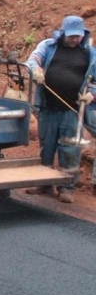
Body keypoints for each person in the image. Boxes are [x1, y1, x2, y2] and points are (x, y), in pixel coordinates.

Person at [26, 15, 96, 203]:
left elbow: (95, 81)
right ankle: (44, 183)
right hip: (48, 108)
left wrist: (92, 94)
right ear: (63, 33)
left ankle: (66, 187)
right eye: (71, 36)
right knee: (46, 147)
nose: (75, 39)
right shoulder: (48, 46)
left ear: (83, 34)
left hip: (72, 111)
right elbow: (32, 61)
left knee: (70, 149)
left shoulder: (90, 53)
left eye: (78, 36)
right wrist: (36, 70)